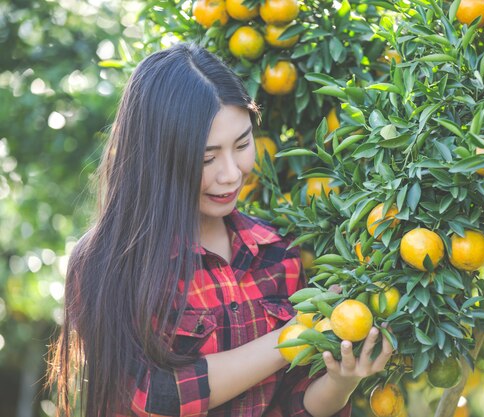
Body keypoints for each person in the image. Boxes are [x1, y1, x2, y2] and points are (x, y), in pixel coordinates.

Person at [47, 42, 393, 417]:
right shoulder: (108, 262)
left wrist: (342, 381)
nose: (231, 174)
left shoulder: (278, 254)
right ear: (158, 158)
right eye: (207, 157)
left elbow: (293, 403)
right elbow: (157, 395)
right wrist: (298, 332)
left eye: (243, 144)